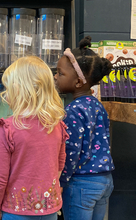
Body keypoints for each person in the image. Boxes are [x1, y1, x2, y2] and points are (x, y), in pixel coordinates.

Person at [0, 56, 68, 220]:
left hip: (15, 210)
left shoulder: (7, 128)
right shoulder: (57, 126)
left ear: (17, 89)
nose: (5, 93)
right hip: (49, 209)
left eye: (7, 88)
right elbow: (60, 164)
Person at [55, 36, 115, 220]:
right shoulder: (97, 105)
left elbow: (71, 151)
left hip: (81, 184)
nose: (55, 77)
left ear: (78, 82)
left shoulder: (72, 111)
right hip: (104, 181)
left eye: (60, 73)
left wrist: (62, 181)